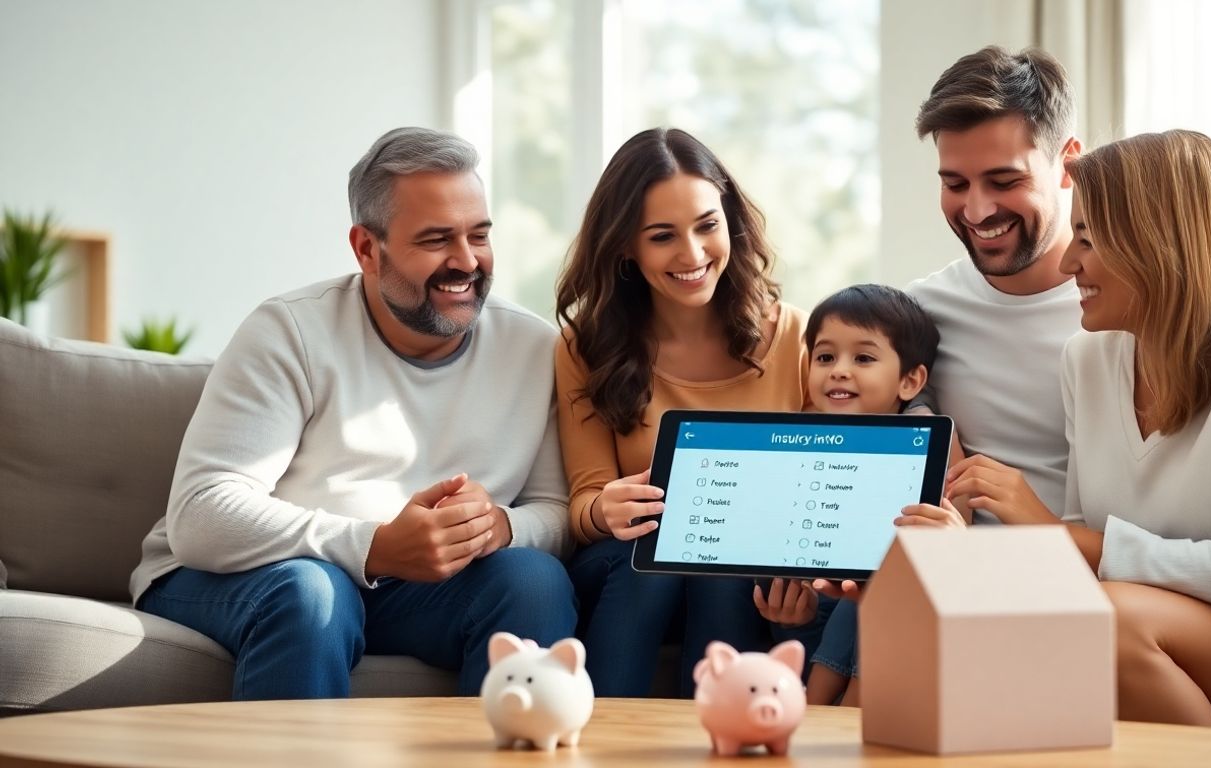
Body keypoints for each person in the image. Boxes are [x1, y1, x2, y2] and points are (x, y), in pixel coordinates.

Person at [130, 127, 576, 699]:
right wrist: (375, 545)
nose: (466, 261)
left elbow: (556, 510)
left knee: (533, 581)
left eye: (479, 235)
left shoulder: (533, 349)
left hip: (414, 593)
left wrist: (503, 526)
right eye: (437, 239)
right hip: (248, 578)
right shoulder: (289, 331)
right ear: (367, 248)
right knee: (314, 593)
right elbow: (202, 514)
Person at [944, 129, 1211, 734]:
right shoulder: (1086, 361)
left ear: (1159, 242)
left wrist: (1061, 536)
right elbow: (1081, 549)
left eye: (1087, 239)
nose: (1067, 264)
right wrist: (947, 564)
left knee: (1106, 618)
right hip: (1152, 638)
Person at [554, 127, 808, 697]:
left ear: (729, 221)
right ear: (626, 246)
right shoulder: (585, 347)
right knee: (662, 549)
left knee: (722, 566)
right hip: (632, 568)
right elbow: (584, 502)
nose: (692, 255)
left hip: (745, 572)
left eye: (706, 226)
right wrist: (606, 511)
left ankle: (724, 738)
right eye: (662, 236)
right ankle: (606, 743)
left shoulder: (795, 335)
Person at [753, 284, 967, 707]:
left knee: (879, 583)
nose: (839, 370)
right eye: (825, 357)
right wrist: (797, 609)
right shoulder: (803, 436)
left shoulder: (928, 433)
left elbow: (956, 528)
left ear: (910, 381)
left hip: (889, 605)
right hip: (819, 608)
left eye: (863, 358)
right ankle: (816, 707)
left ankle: (828, 706)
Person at [905, 46, 1084, 520]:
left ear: (1068, 164)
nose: (977, 211)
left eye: (1004, 181)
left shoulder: (1123, 312)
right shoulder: (920, 313)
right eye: (955, 184)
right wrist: (920, 420)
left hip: (1085, 579)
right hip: (953, 577)